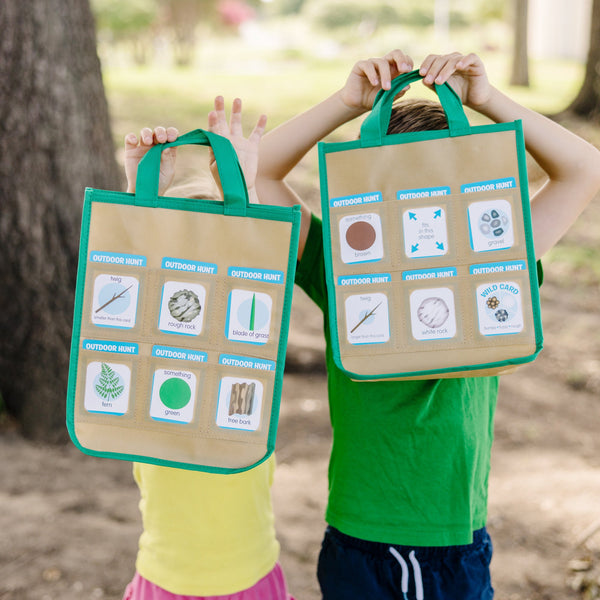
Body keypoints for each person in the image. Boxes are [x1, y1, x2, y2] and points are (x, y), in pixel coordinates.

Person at [256, 50, 600, 599]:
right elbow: (253, 174)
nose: (416, 209)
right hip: (359, 534)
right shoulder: (340, 260)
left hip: (451, 538)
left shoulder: (496, 256)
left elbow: (585, 168)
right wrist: (345, 103)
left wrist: (487, 99)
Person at [121, 99, 295, 600]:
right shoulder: (146, 356)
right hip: (163, 580)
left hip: (252, 578)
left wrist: (245, 189)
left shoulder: (248, 351)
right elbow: (130, 277)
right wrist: (139, 191)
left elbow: (260, 267)